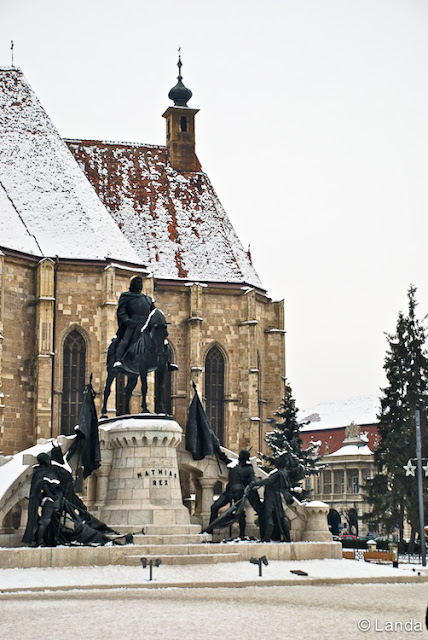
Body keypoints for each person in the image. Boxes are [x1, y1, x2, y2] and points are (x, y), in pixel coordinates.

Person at [209, 449, 260, 538]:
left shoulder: (249, 468)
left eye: (242, 455)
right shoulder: (233, 465)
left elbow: (252, 480)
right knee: (214, 507)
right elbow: (223, 458)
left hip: (239, 493)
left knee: (240, 513)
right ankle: (210, 530)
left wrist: (251, 485)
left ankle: (242, 534)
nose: (240, 456)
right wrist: (216, 449)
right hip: (228, 492)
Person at [113, 275, 155, 367]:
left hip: (145, 325)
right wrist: (127, 320)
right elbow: (122, 311)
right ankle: (118, 361)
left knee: (160, 340)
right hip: (132, 324)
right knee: (125, 341)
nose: (140, 285)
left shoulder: (147, 299)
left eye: (141, 283)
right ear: (133, 284)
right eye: (138, 283)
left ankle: (165, 362)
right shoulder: (126, 296)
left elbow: (154, 312)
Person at [252, 453, 294, 542]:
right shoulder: (284, 473)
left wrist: (256, 483)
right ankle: (287, 537)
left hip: (270, 496)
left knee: (268, 516)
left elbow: (269, 481)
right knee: (281, 517)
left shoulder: (278, 473)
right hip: (277, 495)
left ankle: (266, 537)